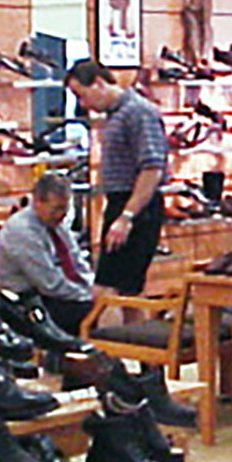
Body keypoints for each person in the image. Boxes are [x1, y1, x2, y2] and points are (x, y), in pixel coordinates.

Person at [64, 59, 166, 312]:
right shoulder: (117, 115)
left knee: (107, 287)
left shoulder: (138, 112)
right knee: (127, 291)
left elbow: (152, 168)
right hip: (123, 203)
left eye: (82, 95)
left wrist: (127, 216)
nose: (83, 104)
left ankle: (87, 343)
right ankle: (132, 348)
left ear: (98, 83)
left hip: (135, 205)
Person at [0, 173, 94, 335]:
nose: (60, 215)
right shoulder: (22, 231)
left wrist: (91, 287)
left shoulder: (56, 225)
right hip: (25, 301)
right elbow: (49, 284)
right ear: (37, 202)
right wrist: (86, 296)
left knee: (99, 305)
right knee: (93, 311)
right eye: (56, 208)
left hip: (51, 296)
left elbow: (76, 262)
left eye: (65, 208)